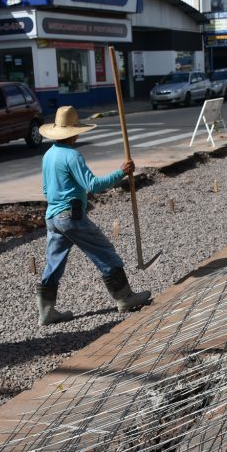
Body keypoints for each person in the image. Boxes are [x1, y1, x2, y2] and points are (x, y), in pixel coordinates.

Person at [36, 106, 151, 326]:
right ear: (74, 133)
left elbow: (45, 190)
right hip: (71, 216)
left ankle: (46, 312)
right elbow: (93, 185)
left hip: (52, 217)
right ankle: (124, 297)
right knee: (104, 251)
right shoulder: (72, 156)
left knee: (54, 264)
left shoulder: (49, 155)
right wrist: (122, 172)